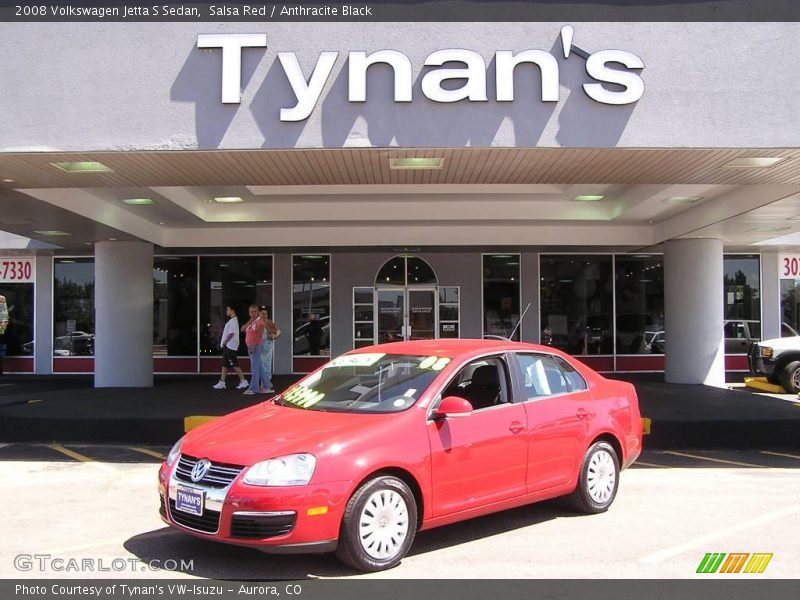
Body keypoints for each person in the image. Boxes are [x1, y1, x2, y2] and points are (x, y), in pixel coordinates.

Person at [212, 305, 248, 390]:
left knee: (234, 364)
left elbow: (231, 334)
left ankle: (243, 381)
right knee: (225, 364)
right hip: (228, 347)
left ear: (233, 310)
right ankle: (222, 382)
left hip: (230, 347)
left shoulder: (233, 321)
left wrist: (224, 342)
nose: (226, 311)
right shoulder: (232, 321)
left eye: (228, 310)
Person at [241, 304, 268, 396]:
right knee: (259, 367)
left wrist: (253, 346)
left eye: (255, 311)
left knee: (255, 368)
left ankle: (254, 388)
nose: (253, 314)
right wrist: (249, 321)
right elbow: (242, 329)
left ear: (258, 312)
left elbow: (259, 335)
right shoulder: (252, 322)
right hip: (251, 346)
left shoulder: (260, 322)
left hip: (255, 346)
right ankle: (267, 386)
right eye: (251, 312)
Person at [258, 307, 280, 393]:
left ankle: (265, 386)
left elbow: (278, 331)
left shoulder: (268, 322)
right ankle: (263, 385)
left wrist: (274, 336)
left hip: (267, 346)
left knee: (266, 366)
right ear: (259, 314)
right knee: (261, 366)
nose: (264, 315)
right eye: (263, 313)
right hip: (259, 346)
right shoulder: (257, 323)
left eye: (266, 313)